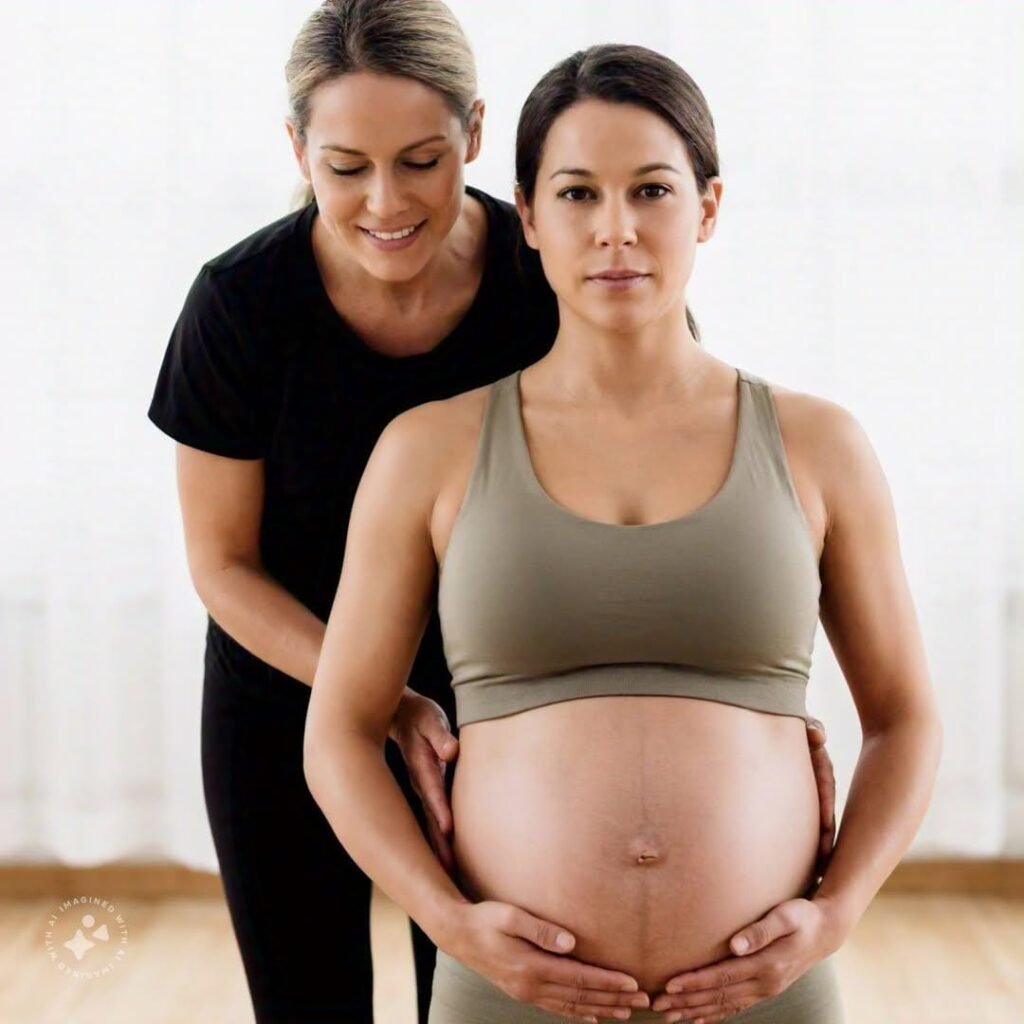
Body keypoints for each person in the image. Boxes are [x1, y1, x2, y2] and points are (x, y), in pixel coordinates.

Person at [147, 2, 837, 1021]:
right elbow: (221, 564)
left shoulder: (554, 263)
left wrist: (733, 712)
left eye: (421, 160)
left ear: (472, 135)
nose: (385, 199)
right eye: (344, 168)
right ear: (298, 150)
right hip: (288, 679)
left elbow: (662, 434)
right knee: (304, 997)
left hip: (492, 685)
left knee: (470, 973)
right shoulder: (240, 305)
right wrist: (378, 696)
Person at [303, 40, 943, 1024]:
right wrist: (449, 923)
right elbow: (339, 733)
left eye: (650, 190)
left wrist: (836, 912)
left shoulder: (821, 444)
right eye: (575, 194)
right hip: (508, 991)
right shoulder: (427, 451)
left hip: (764, 992)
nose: (615, 231)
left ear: (708, 208)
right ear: (526, 214)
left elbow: (904, 718)